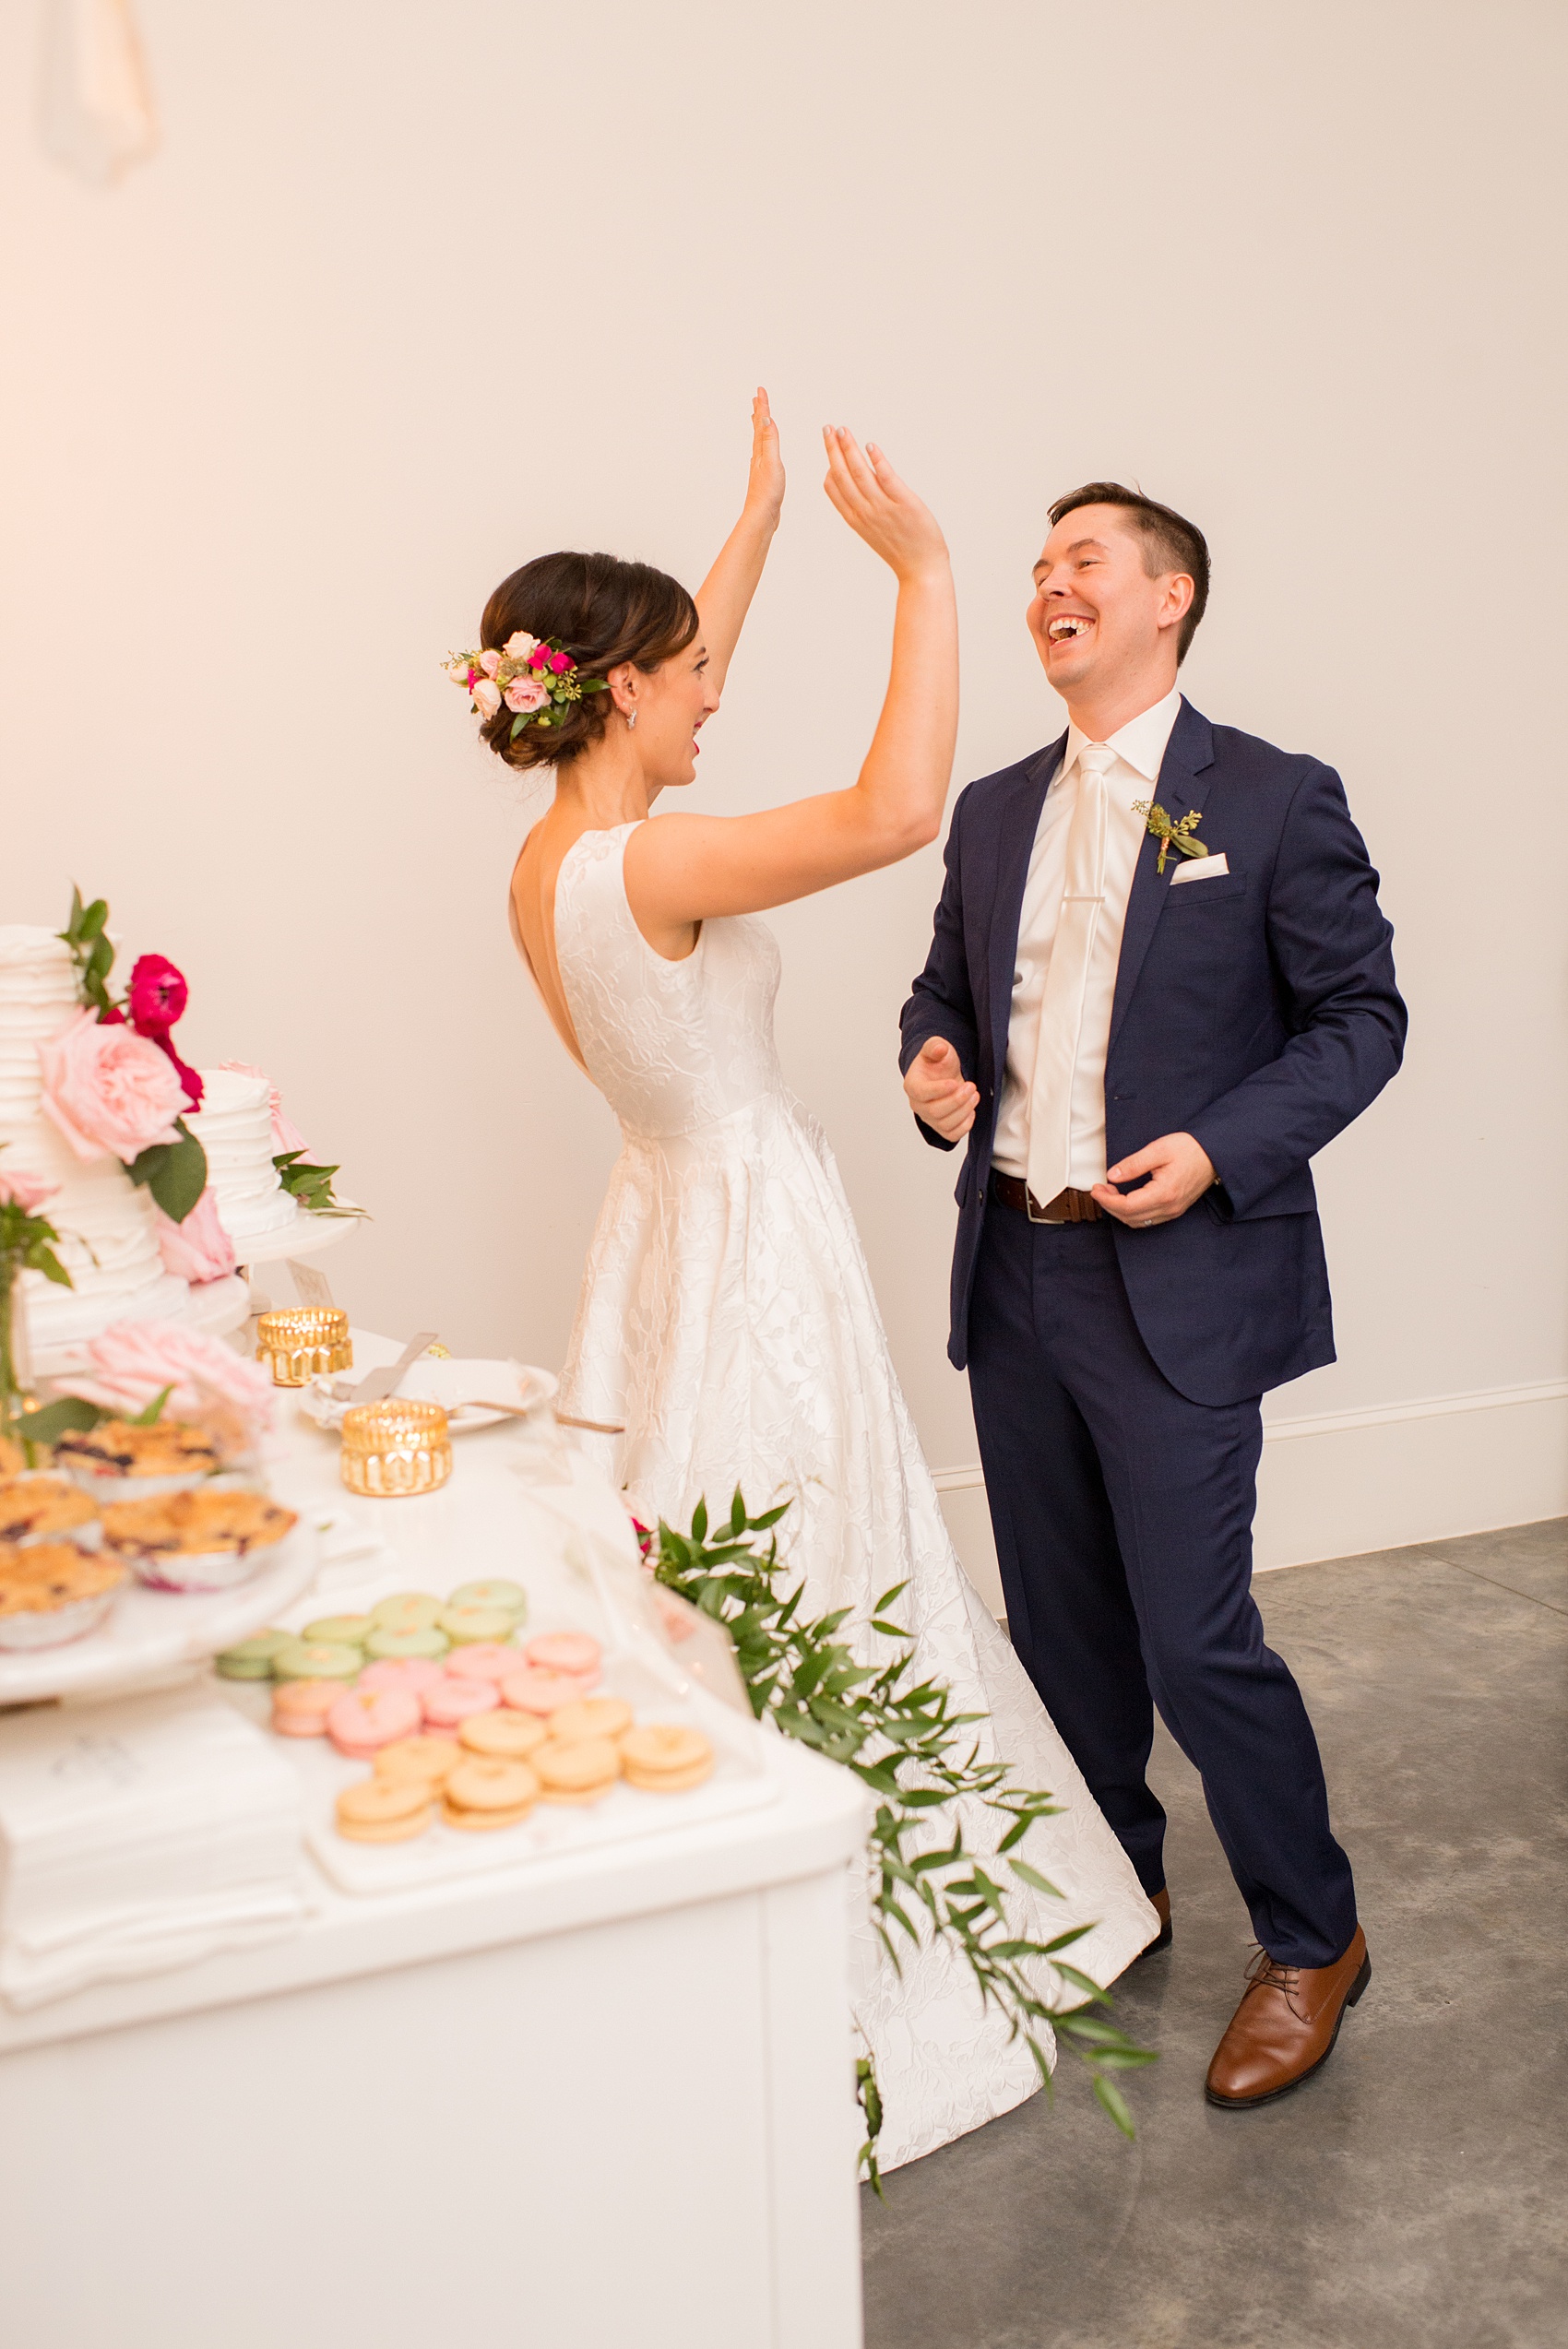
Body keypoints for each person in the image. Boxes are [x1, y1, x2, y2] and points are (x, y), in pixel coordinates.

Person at [459, 397, 1158, 2171]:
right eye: (692, 676)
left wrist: (754, 524)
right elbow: (896, 804)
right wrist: (922, 572)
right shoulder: (661, 862)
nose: (716, 692)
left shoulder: (551, 864)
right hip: (752, 1237)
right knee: (821, 1552)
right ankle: (838, 1951)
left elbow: (671, 676)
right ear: (617, 690)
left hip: (665, 1229)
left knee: (706, 1555)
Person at [899, 482, 1407, 2107]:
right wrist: (931, 1064)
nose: (1051, 585)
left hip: (1179, 1272)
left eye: (1085, 563)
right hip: (1022, 1264)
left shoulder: (1268, 796)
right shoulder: (991, 811)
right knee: (1064, 1634)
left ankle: (1312, 1937)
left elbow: (1360, 1019)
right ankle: (1124, 1882)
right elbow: (947, 995)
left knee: (1197, 1640)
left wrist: (1219, 1150)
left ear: (1168, 597)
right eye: (1038, 567)